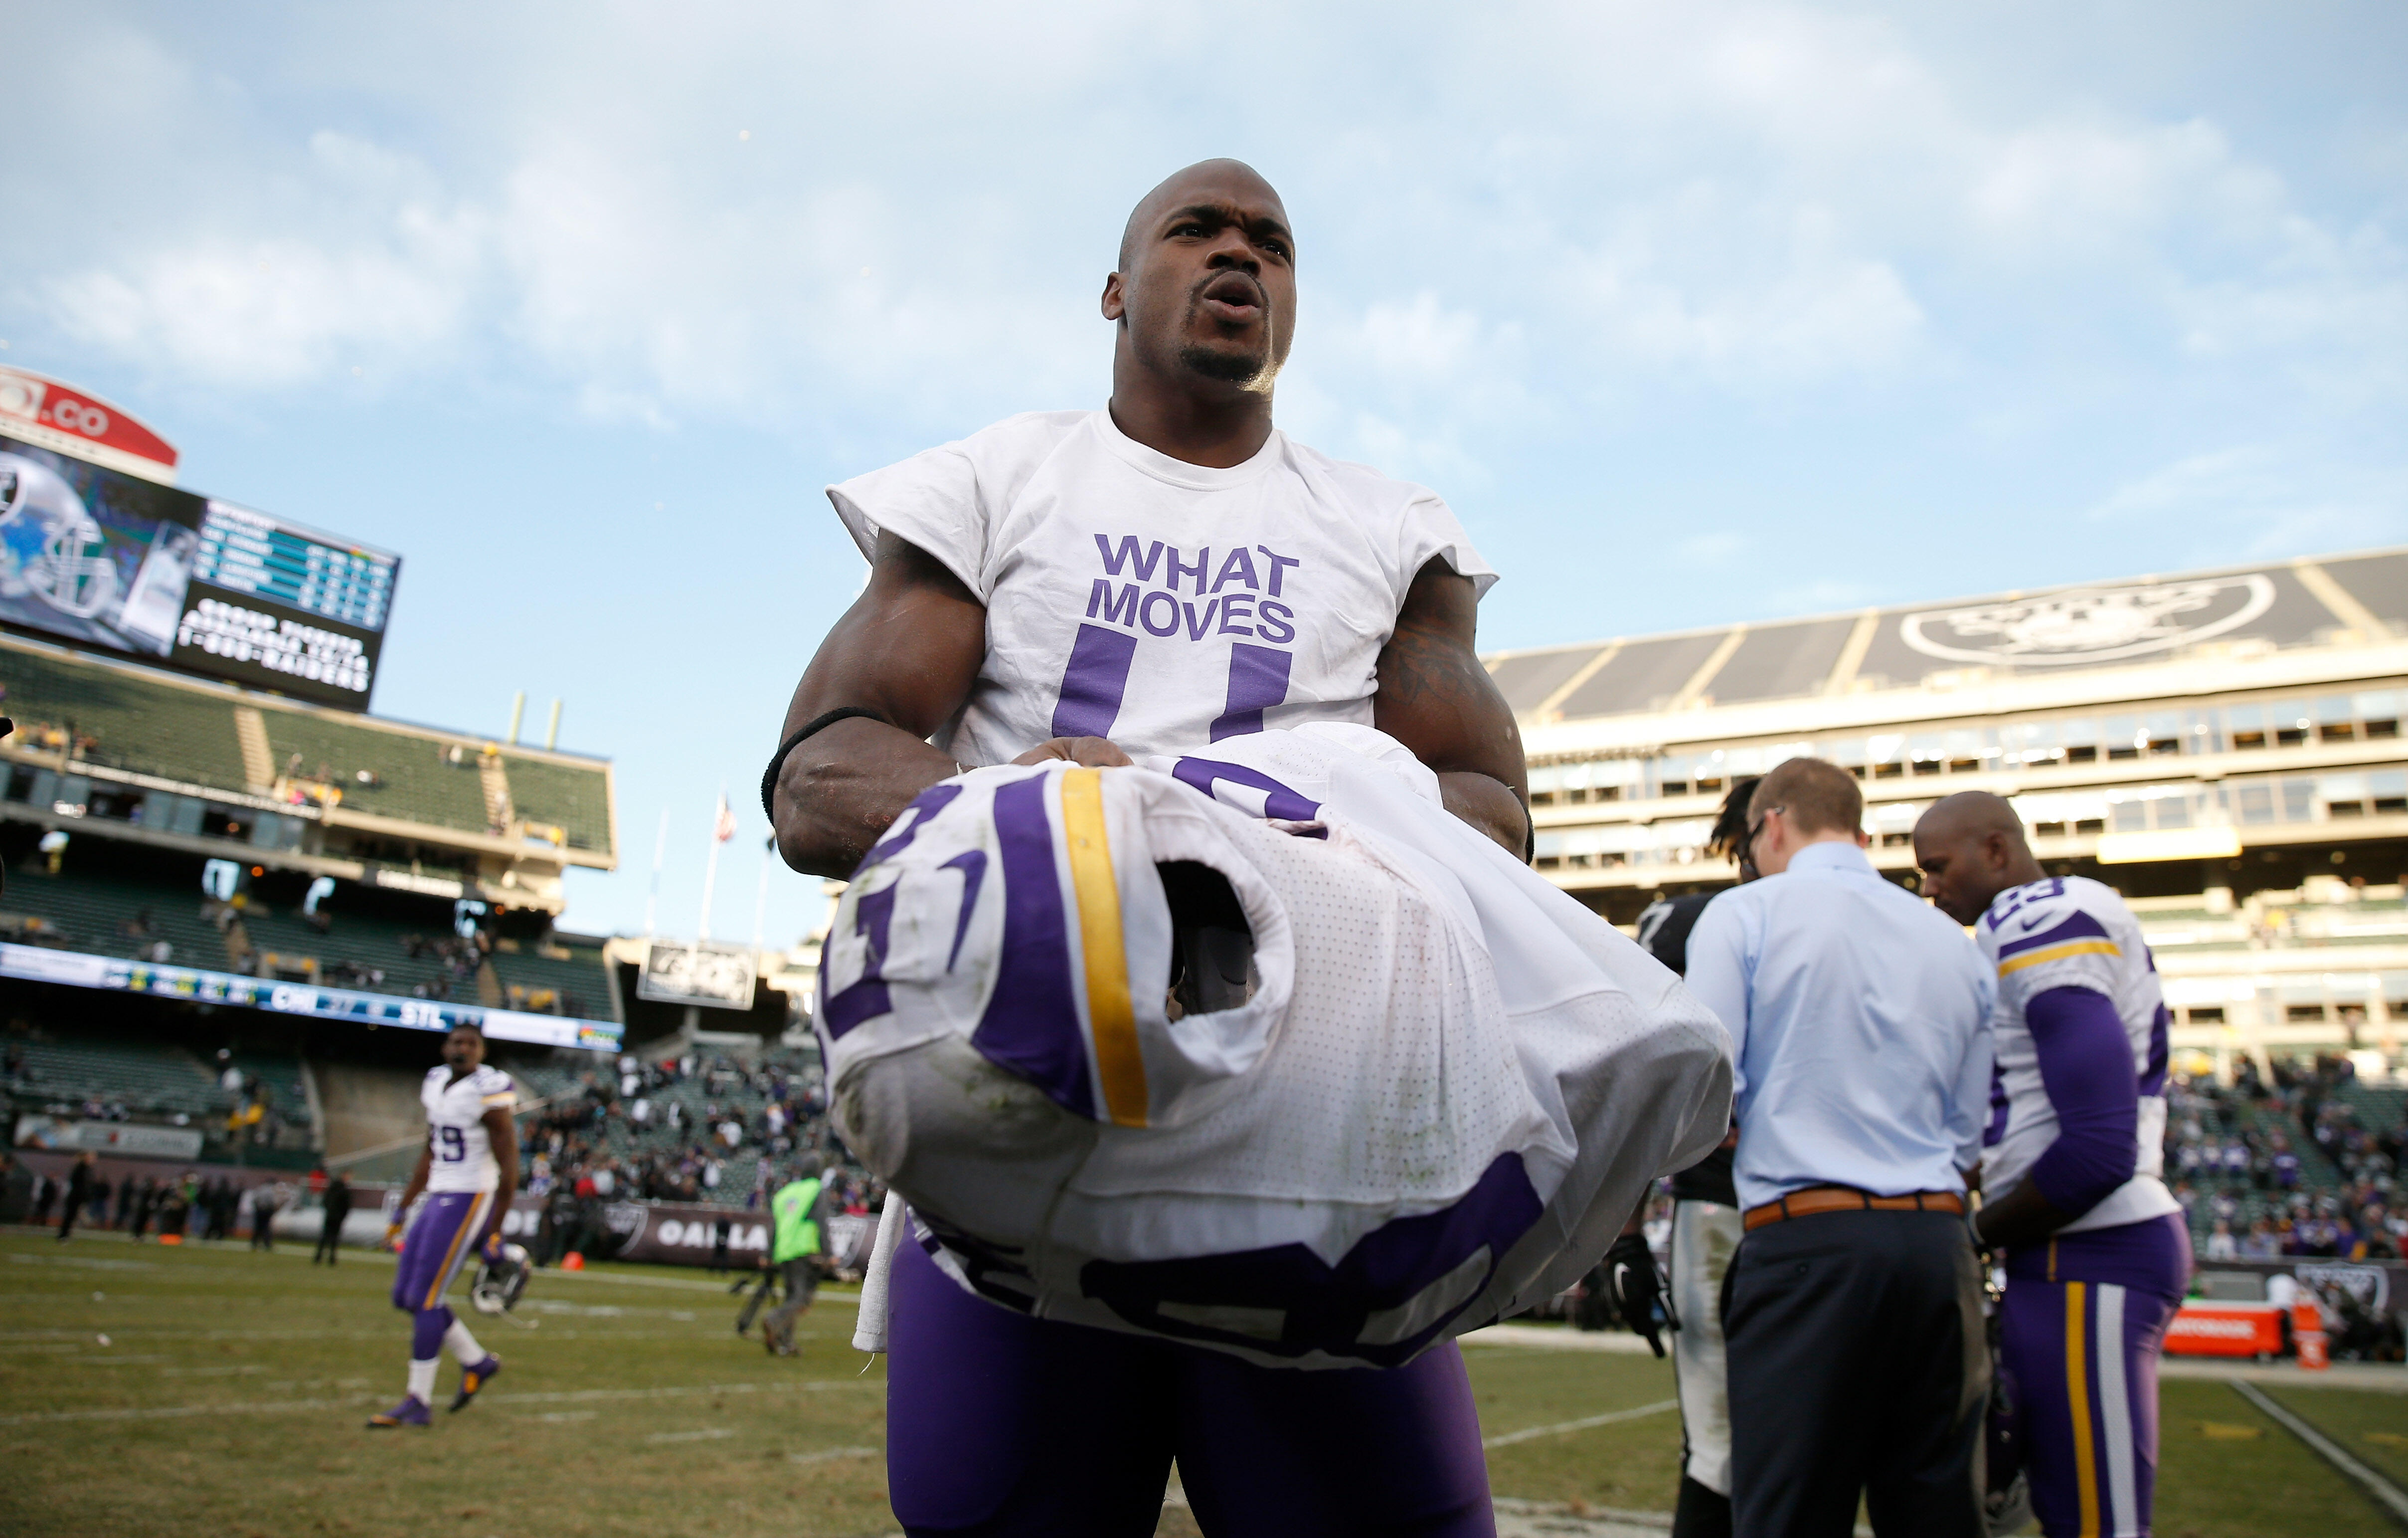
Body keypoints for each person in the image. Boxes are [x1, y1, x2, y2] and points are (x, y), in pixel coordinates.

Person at [767, 159, 1530, 1537]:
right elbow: (822, 777)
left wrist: (1205, 828)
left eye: (1270, 243)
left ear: (1290, 304)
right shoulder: (995, 478)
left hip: (1309, 1121)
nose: (1239, 254)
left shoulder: (1392, 527)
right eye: (1199, 230)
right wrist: (1046, 826)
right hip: (1032, 1101)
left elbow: (1485, 805)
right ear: (1117, 289)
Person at [1683, 758, 1995, 1538]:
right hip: (1935, 1247)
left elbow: (1707, 1092)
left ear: (1773, 823)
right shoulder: (1950, 939)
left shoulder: (1745, 913)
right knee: (1936, 1516)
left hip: (1806, 1240)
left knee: (1787, 1514)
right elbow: (1967, 1130)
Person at [1913, 791, 2191, 1538]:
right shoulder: (2008, 930)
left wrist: (1973, 1234)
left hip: (2092, 1244)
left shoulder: (2040, 915)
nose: (1928, 887)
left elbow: (2098, 1149)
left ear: (1996, 850)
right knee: (2052, 1508)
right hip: (2059, 1249)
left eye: (1938, 866)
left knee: (2097, 1523)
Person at [1616, 778, 1757, 1538]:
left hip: (1749, 1213)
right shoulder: (1696, 921)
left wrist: (1627, 1235)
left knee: (1728, 1446)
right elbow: (1649, 1077)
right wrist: (1628, 1233)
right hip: (1725, 1204)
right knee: (1724, 1446)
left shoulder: (1703, 920)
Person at [367, 1023, 518, 1429]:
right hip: (440, 1193)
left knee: (428, 1299)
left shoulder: (490, 1089)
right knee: (406, 1297)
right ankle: (477, 1362)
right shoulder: (435, 1081)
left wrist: (495, 1230)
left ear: (482, 1051)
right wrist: (404, 1207)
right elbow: (429, 1151)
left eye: (471, 1043)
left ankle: (418, 1400)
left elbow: (510, 1166)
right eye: (457, 1042)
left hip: (470, 1195)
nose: (463, 1048)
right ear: (444, 1047)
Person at [762, 1155, 833, 1355]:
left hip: (783, 1251)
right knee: (801, 1299)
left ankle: (786, 1343)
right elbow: (821, 1222)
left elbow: (775, 1226)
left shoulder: (785, 1193)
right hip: (803, 1249)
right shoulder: (816, 1190)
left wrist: (768, 1253)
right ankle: (774, 1320)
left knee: (791, 1296)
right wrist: (828, 1253)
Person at [316, 1172, 353, 1265]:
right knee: (335, 1238)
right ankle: (332, 1258)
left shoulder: (331, 1189)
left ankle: (318, 1257)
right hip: (338, 1218)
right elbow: (347, 1206)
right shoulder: (344, 1191)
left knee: (324, 1236)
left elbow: (325, 1201)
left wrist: (329, 1211)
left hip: (329, 1216)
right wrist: (343, 1216)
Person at [58, 1152, 95, 1243]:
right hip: (76, 1197)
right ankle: (63, 1236)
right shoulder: (81, 1168)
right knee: (70, 1216)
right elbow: (78, 1184)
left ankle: (66, 1235)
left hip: (79, 1197)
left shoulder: (86, 1169)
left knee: (72, 1217)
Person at [248, 1181, 280, 1251]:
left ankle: (254, 1243)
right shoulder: (272, 1191)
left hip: (259, 1210)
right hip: (268, 1211)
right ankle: (267, 1244)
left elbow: (255, 1200)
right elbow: (273, 1202)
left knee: (258, 1227)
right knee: (266, 1228)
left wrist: (257, 1208)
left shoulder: (261, 1189)